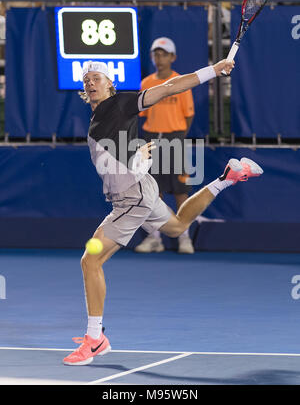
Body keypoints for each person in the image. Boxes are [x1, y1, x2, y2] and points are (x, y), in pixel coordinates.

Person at [62, 57, 264, 366]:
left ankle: (95, 339)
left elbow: (170, 87)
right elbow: (119, 151)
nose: (90, 83)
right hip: (138, 190)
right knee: (177, 226)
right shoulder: (101, 115)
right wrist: (135, 156)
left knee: (91, 261)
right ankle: (227, 179)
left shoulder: (121, 103)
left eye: (97, 78)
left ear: (110, 84)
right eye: (87, 79)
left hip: (134, 198)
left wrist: (214, 70)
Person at [135, 37, 196, 254]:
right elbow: (141, 114)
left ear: (173, 57)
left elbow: (188, 115)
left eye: (164, 54)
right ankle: (154, 238)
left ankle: (184, 238)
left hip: (175, 139)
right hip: (151, 140)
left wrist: (177, 136)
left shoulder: (181, 82)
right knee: (153, 193)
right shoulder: (146, 83)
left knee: (181, 192)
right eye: (156, 54)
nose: (159, 58)